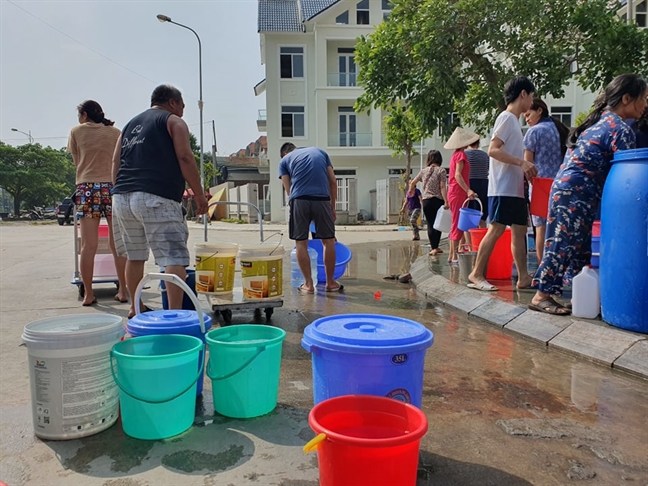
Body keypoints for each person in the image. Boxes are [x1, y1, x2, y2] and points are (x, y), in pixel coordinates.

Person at [530, 74, 647, 315]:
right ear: (627, 98)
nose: (646, 105)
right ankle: (541, 295)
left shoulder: (598, 123)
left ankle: (579, 296)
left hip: (568, 189)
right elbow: (627, 173)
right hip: (576, 192)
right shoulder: (620, 129)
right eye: (643, 98)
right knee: (562, 243)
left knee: (581, 246)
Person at [111, 85, 208, 319]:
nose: (183, 111)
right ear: (173, 102)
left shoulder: (129, 126)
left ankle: (136, 308)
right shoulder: (173, 121)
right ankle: (174, 315)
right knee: (174, 257)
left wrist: (121, 191)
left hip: (122, 197)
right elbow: (185, 157)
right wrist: (199, 195)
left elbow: (115, 163)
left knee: (135, 256)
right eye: (183, 106)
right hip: (156, 197)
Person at [467, 76, 538, 291]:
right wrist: (521, 163)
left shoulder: (514, 122)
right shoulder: (507, 118)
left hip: (514, 187)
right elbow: (493, 150)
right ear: (523, 94)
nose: (532, 102)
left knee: (519, 231)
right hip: (503, 187)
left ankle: (523, 277)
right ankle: (476, 274)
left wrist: (523, 169)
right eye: (532, 96)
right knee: (496, 229)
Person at [67, 100, 127, 306]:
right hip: (112, 187)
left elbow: (77, 161)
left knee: (88, 245)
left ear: (84, 115)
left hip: (86, 187)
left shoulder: (76, 131)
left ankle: (89, 294)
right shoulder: (116, 132)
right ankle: (124, 290)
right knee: (117, 243)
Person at [278, 143, 342, 293]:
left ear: (285, 154)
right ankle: (331, 283)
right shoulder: (320, 152)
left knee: (301, 243)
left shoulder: (284, 161)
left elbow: (289, 191)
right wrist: (331, 207)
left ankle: (308, 285)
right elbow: (333, 182)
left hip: (299, 199)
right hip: (323, 199)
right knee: (328, 241)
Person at [523, 98, 569, 263]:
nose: (526, 119)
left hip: (539, 185)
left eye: (528, 114)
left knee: (540, 227)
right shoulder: (560, 129)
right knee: (558, 226)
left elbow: (527, 165)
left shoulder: (534, 132)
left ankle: (543, 266)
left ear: (539, 111)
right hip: (559, 183)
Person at [444, 127, 480, 264]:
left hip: (454, 191)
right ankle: (453, 256)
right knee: (458, 224)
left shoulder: (455, 155)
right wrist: (468, 190)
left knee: (457, 222)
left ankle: (452, 254)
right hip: (457, 192)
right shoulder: (461, 155)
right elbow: (458, 175)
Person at [410, 150, 449, 255]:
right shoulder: (441, 171)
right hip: (438, 200)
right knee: (438, 224)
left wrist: (411, 191)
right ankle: (436, 247)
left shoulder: (424, 171)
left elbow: (413, 182)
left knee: (430, 224)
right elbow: (442, 187)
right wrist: (446, 201)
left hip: (426, 200)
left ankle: (433, 248)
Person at [465, 139, 489, 228]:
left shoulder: (465, 154)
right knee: (482, 216)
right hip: (484, 184)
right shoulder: (485, 155)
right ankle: (482, 238)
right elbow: (488, 168)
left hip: (470, 183)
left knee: (469, 215)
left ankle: (470, 240)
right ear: (478, 144)